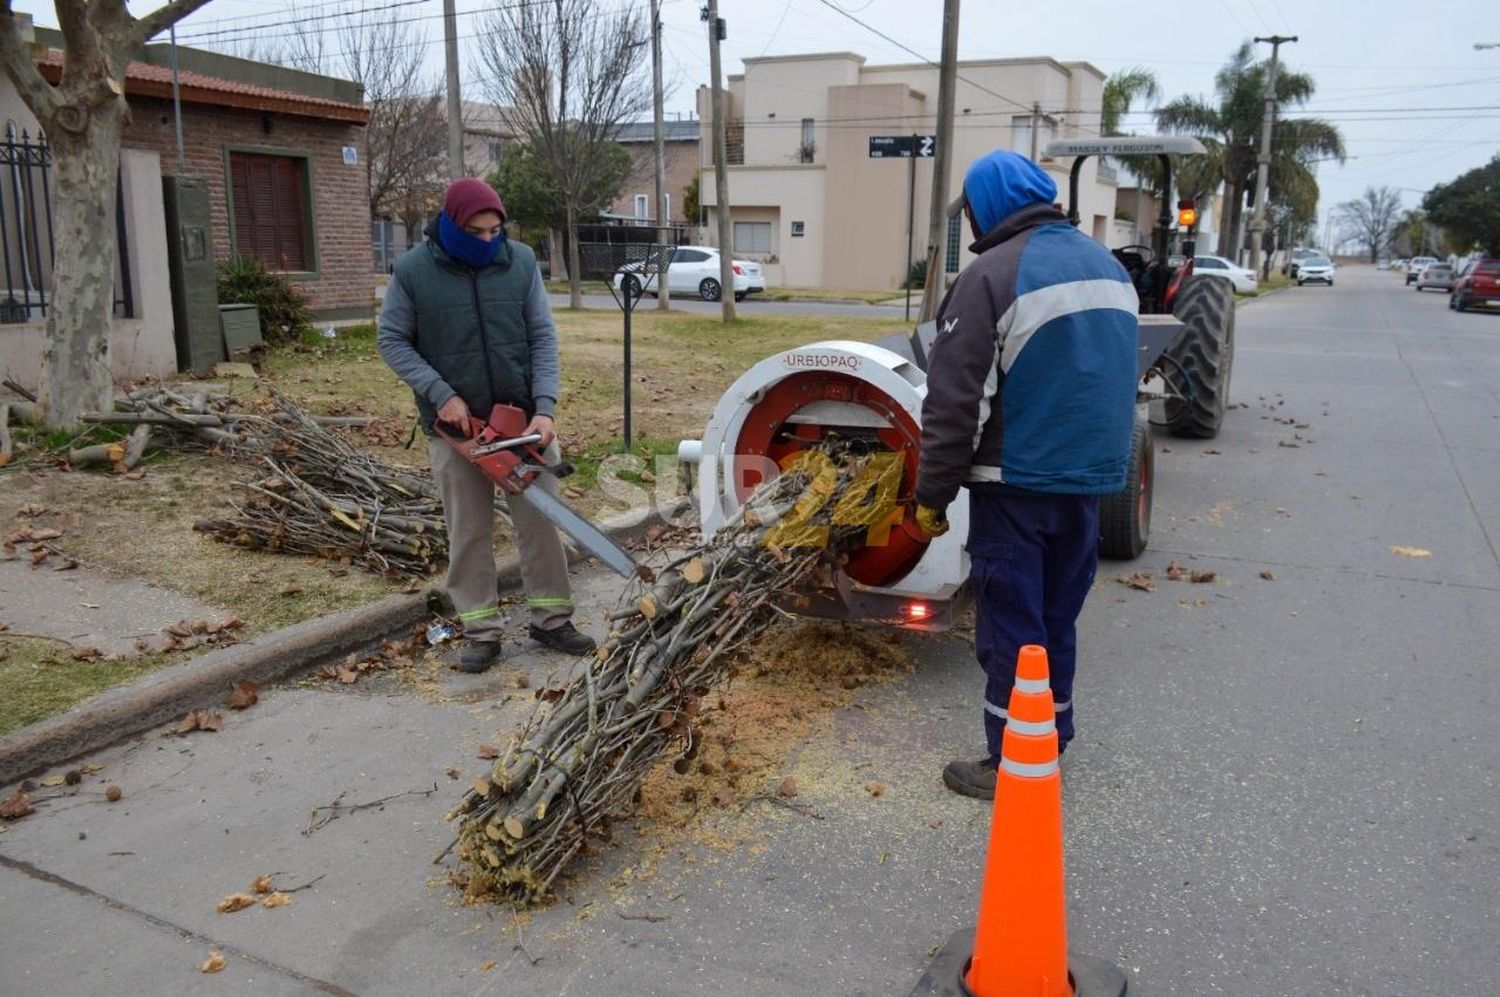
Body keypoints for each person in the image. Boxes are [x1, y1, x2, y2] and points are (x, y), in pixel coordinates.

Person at [914, 150, 1138, 800]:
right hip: (1090, 482)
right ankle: (1051, 736)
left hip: (1017, 484)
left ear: (988, 205)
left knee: (1012, 623)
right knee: (1054, 616)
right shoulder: (1109, 267)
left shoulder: (992, 275)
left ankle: (1011, 761)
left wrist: (931, 496)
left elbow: (955, 399)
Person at [378, 178, 597, 673]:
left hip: (522, 423)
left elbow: (541, 335)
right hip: (457, 432)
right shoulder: (414, 271)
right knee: (469, 530)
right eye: (476, 232)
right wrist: (442, 394)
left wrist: (544, 408)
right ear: (453, 226)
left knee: (541, 523)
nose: (486, 240)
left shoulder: (519, 262)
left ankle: (551, 620)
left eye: (495, 230)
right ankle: (481, 630)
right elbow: (393, 340)